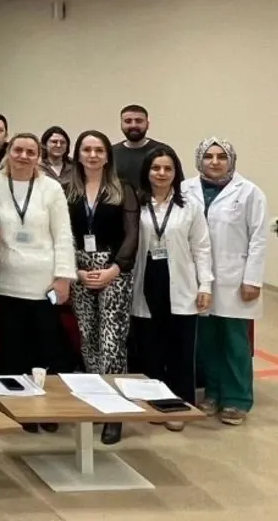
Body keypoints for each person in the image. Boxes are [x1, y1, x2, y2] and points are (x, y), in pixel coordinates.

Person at [0, 133, 74, 433]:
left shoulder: (51, 188)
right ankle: (17, 410)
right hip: (4, 281)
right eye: (18, 150)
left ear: (38, 156)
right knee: (11, 350)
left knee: (47, 348)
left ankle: (48, 409)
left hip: (43, 284)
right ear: (8, 152)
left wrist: (63, 278)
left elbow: (63, 235)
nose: (23, 156)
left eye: (30, 152)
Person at [184, 138, 267, 426]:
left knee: (234, 341)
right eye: (209, 156)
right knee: (207, 341)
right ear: (200, 159)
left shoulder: (249, 192)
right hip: (199, 278)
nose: (215, 162)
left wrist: (252, 279)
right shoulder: (186, 189)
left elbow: (258, 239)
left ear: (231, 160)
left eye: (221, 156)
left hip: (235, 278)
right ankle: (213, 393)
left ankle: (237, 399)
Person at [63, 131, 138, 445]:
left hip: (114, 271)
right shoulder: (67, 190)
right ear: (78, 155)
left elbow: (132, 234)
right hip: (79, 270)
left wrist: (114, 269)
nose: (92, 155)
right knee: (89, 339)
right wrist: (75, 271)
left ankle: (115, 413)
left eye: (99, 150)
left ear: (108, 156)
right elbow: (62, 234)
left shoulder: (123, 189)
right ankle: (97, 399)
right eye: (87, 149)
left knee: (112, 341)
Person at [131, 146, 212, 433]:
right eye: (156, 168)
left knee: (180, 350)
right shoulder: (136, 204)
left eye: (168, 168)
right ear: (147, 172)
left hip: (180, 281)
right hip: (146, 280)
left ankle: (180, 406)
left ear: (176, 172)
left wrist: (205, 285)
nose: (161, 173)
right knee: (150, 348)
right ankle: (156, 402)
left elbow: (201, 247)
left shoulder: (189, 206)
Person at [113, 104, 163, 189]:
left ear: (147, 124)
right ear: (121, 125)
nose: (133, 125)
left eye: (139, 121)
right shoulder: (110, 152)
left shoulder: (163, 151)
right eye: (128, 121)